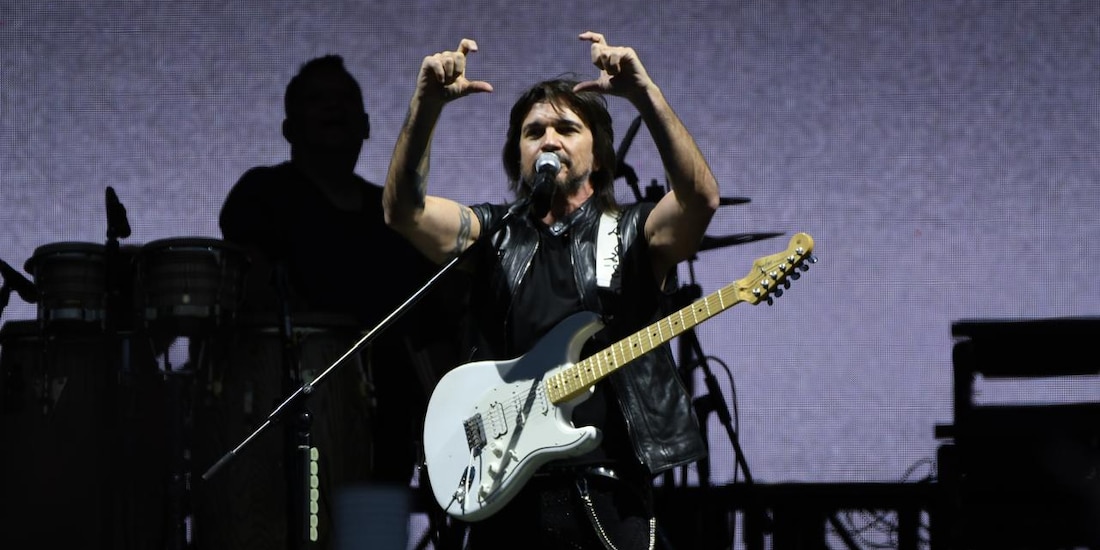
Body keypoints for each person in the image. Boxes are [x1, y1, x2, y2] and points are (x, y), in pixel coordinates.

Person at [383, 31, 720, 549]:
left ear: (599, 152)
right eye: (533, 131)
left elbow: (699, 200)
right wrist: (426, 105)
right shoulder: (494, 234)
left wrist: (644, 95)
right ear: (518, 154)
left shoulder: (632, 231)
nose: (548, 140)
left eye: (567, 127)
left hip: (606, 495)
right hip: (504, 495)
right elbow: (403, 211)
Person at [207, 54, 464, 549]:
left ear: (367, 125)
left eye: (344, 101)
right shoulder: (262, 195)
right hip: (284, 427)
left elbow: (432, 324)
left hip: (385, 440)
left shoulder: (397, 220)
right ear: (288, 126)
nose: (333, 110)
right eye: (317, 101)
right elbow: (252, 289)